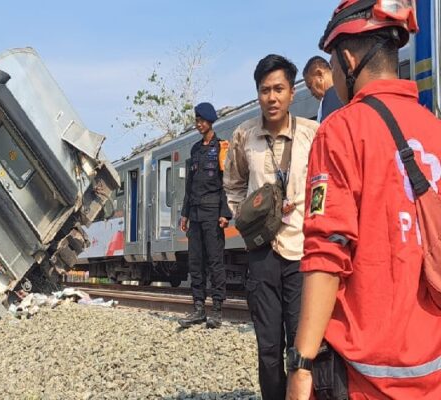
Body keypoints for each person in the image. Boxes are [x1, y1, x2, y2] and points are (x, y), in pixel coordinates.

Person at [287, 2, 441, 398]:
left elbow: (327, 250)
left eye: (334, 66)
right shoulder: (435, 130)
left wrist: (302, 366)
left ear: (349, 60)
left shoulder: (340, 130)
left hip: (367, 377)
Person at [223, 54, 319, 400]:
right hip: (262, 253)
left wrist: (313, 215)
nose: (272, 97)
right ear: (258, 93)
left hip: (301, 252)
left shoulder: (313, 135)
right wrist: (245, 218)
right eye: (265, 90)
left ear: (293, 92)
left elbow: (325, 186)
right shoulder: (243, 136)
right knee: (267, 347)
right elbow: (233, 184)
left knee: (301, 345)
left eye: (279, 89)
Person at [177, 102, 232, 328]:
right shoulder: (195, 150)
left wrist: (225, 213)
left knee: (215, 261)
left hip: (212, 213)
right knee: (195, 262)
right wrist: (185, 214)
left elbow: (226, 183)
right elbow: (190, 186)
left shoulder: (222, 148)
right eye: (196, 121)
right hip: (196, 214)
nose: (198, 124)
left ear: (210, 121)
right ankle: (198, 307)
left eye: (202, 121)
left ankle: (217, 310)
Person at [302, 56, 343, 122]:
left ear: (319, 74)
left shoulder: (332, 98)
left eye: (310, 86)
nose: (312, 93)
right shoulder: (346, 90)